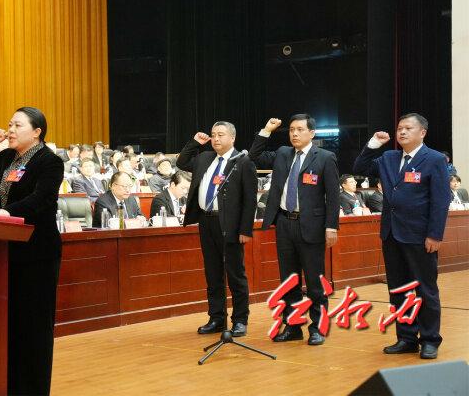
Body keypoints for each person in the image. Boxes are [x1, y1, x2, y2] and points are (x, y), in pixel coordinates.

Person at [0, 106, 63, 396]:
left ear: (37, 131)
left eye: (17, 125)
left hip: (37, 252)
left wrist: (7, 212)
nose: (10, 130)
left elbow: (42, 199)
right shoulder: (6, 157)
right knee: (10, 323)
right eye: (9, 124)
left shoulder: (49, 161)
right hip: (5, 250)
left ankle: (32, 389)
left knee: (34, 325)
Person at [354, 112, 451, 359]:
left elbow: (440, 201)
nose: (402, 132)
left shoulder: (435, 159)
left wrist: (435, 234)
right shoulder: (389, 157)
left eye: (408, 128)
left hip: (420, 236)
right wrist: (373, 143)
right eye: (399, 129)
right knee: (399, 290)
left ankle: (429, 339)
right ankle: (406, 338)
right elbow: (359, 168)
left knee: (425, 290)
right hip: (391, 234)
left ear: (422, 133)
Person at [248, 114, 340, 345]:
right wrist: (267, 130)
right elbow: (254, 156)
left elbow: (333, 196)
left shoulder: (325, 158)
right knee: (289, 280)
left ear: (312, 133)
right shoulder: (283, 153)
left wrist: (331, 226)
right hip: (284, 223)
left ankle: (317, 327)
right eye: (291, 130)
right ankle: (293, 326)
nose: (295, 134)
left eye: (300, 129)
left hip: (312, 225)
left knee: (315, 281)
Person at [177, 121, 257, 337]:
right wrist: (195, 143)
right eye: (213, 135)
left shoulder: (242, 161)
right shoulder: (205, 158)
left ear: (232, 138)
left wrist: (245, 230)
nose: (216, 139)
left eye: (221, 134)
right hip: (206, 221)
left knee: (235, 274)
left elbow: (250, 200)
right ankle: (217, 318)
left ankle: (240, 320)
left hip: (230, 224)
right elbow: (182, 162)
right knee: (212, 273)